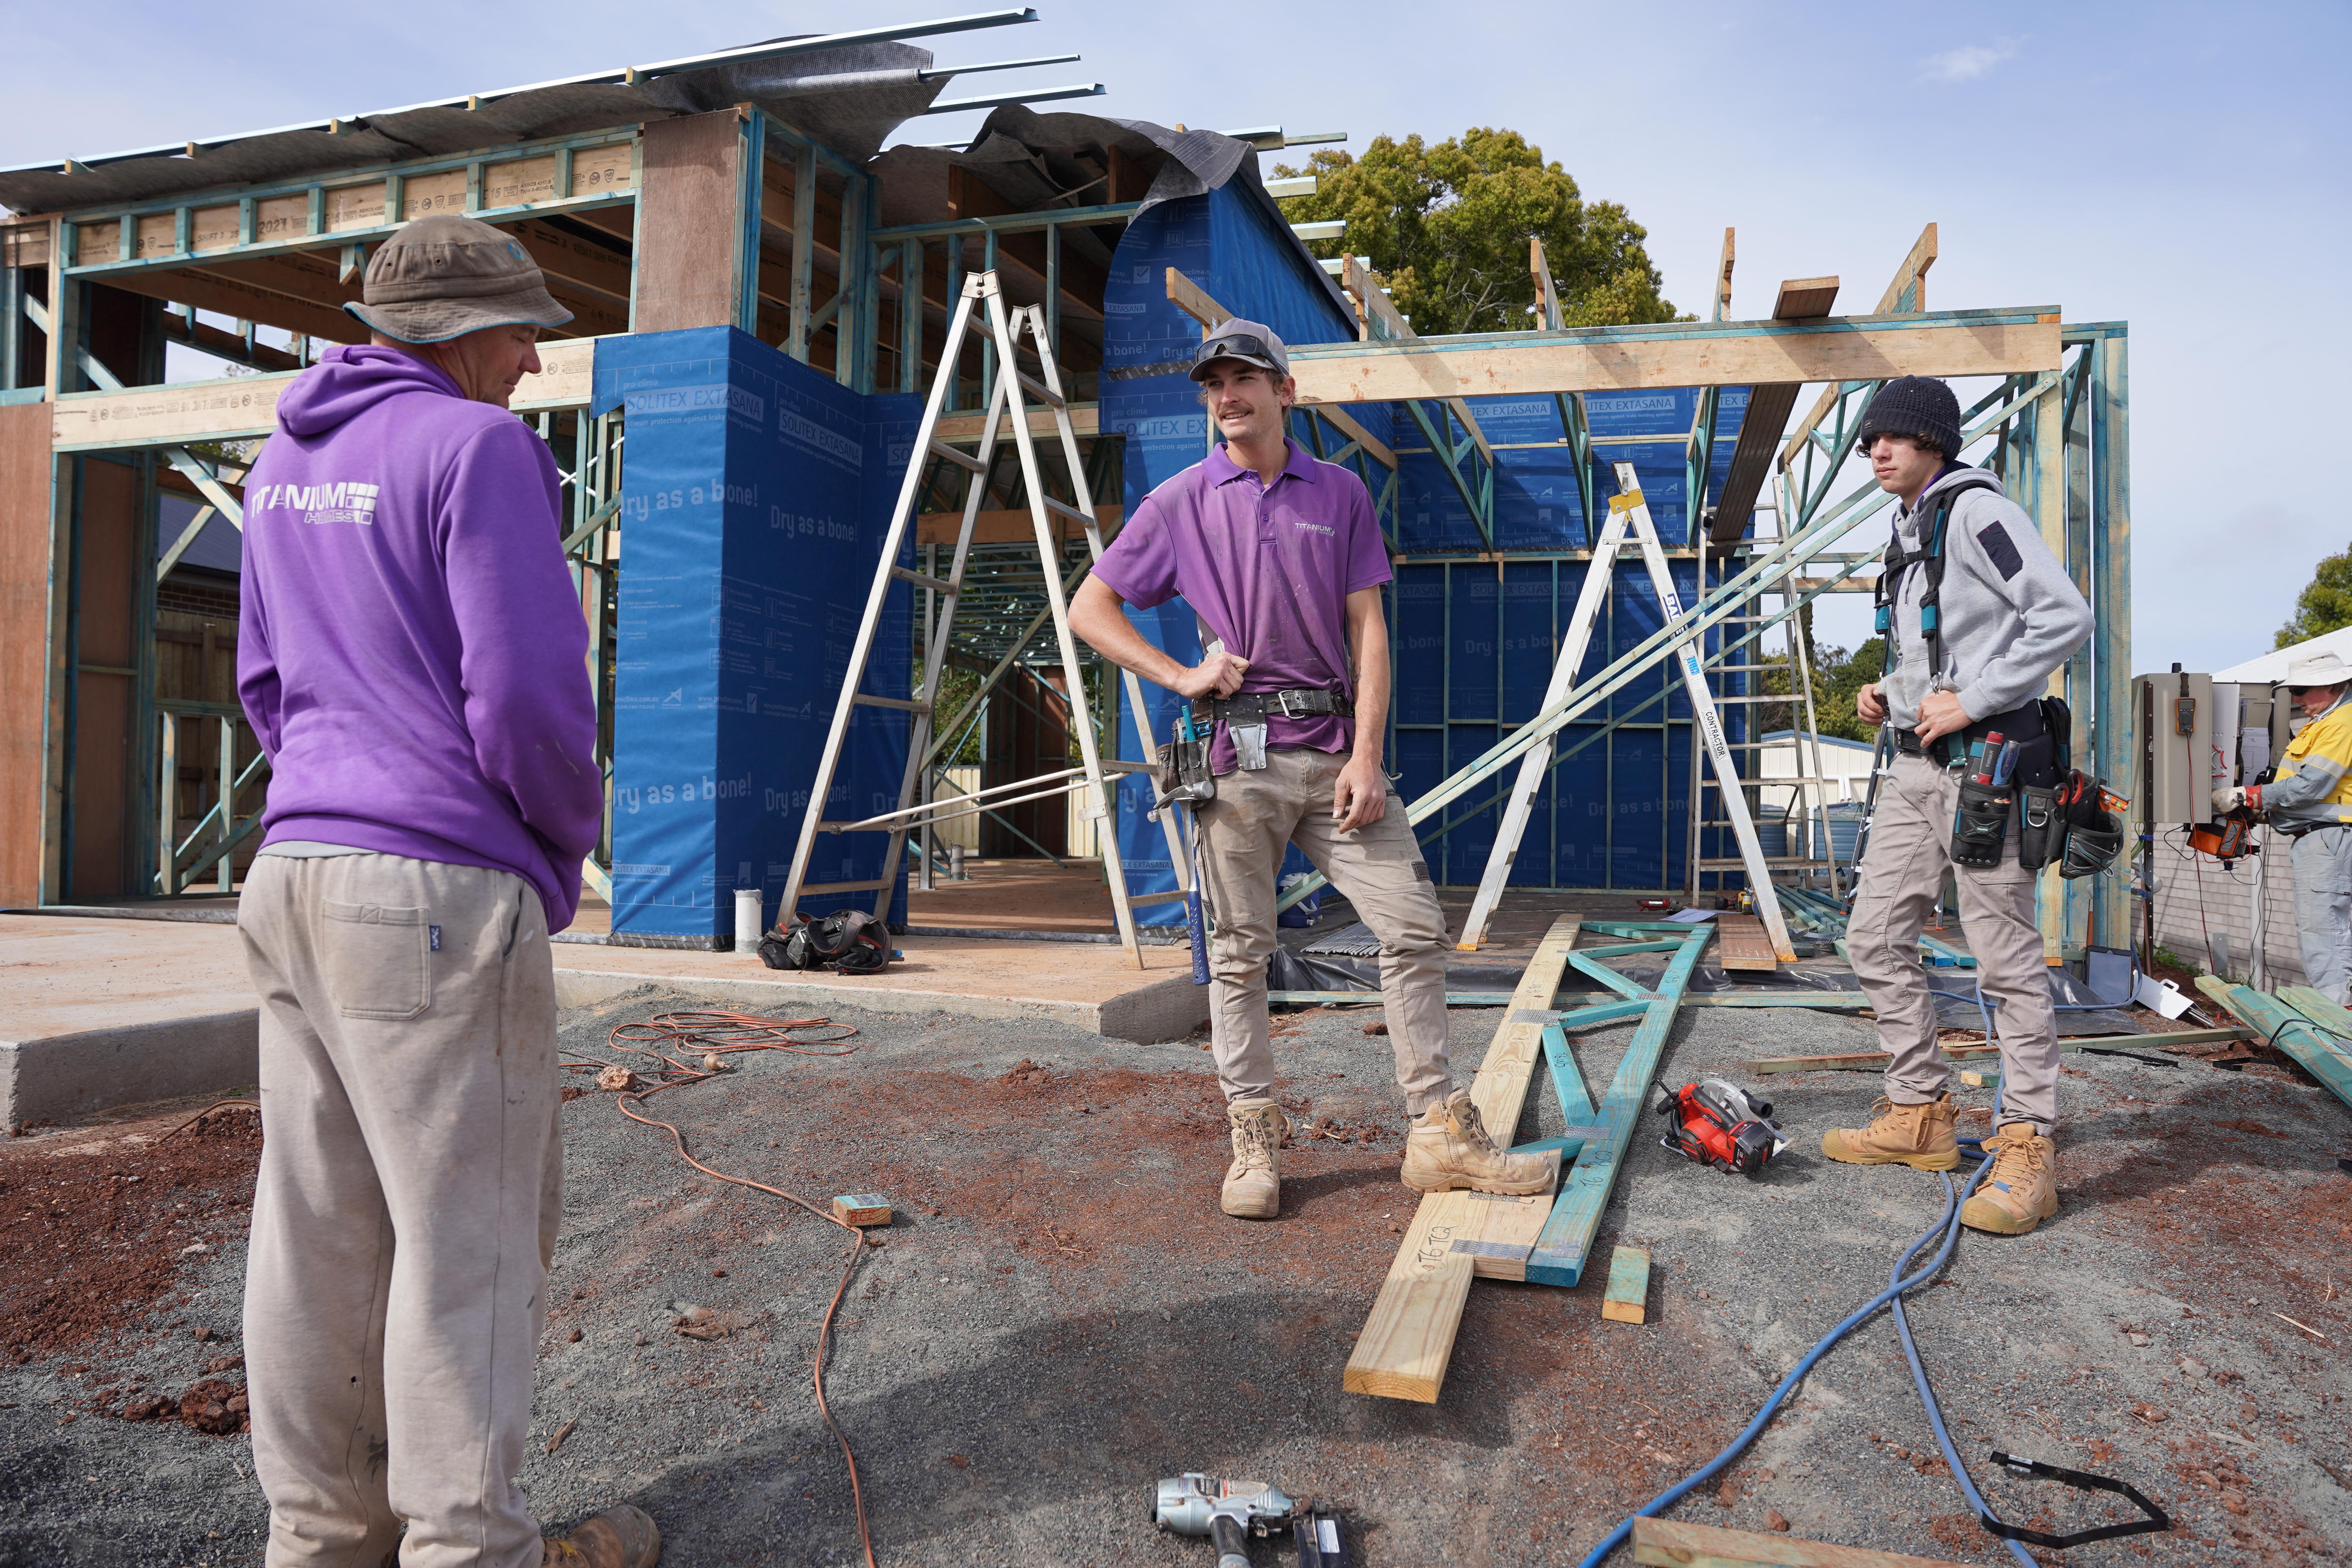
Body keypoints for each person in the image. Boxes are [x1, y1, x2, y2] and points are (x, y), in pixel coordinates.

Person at [237, 215, 654, 1568]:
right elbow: (531, 695)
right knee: (464, 1242)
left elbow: (261, 683)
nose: (537, 356)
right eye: (524, 327)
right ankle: (470, 1549)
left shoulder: (284, 462)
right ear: (459, 331)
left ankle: (319, 1538)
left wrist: (331, 793)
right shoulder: (478, 449)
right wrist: (555, 845)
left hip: (294, 870)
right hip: (431, 883)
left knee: (316, 1233)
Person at [1068, 319, 1550, 1220]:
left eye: (1246, 377)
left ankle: (1437, 1133)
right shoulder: (1181, 500)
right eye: (1214, 383)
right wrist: (1180, 673)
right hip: (1236, 759)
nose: (1227, 396)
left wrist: (1368, 754)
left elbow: (1368, 630)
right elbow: (1089, 606)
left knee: (1411, 929)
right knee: (1242, 955)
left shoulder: (1341, 494)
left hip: (1334, 757)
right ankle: (1253, 1134)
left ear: (1286, 391)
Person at [1824, 375, 2093, 1237]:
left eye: (1895, 436)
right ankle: (1921, 1112)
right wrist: (1889, 692)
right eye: (1871, 439)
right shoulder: (1908, 527)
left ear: (1935, 440)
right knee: (1871, 935)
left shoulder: (1979, 513)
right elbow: (1938, 644)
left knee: (2004, 958)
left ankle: (2026, 1143)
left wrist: (1973, 701)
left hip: (1985, 768)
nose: (1878, 450)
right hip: (1914, 767)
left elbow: (2063, 617)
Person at [2214, 651, 2352, 1003]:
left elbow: (2311, 786)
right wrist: (2267, 811)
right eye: (2294, 692)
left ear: (2331, 685)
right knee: (2336, 933)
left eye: (2303, 690)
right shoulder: (2325, 721)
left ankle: (2342, 1026)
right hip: (2325, 837)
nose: (2298, 698)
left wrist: (2250, 796)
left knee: (2322, 933)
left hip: (2328, 840)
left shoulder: (2342, 722)